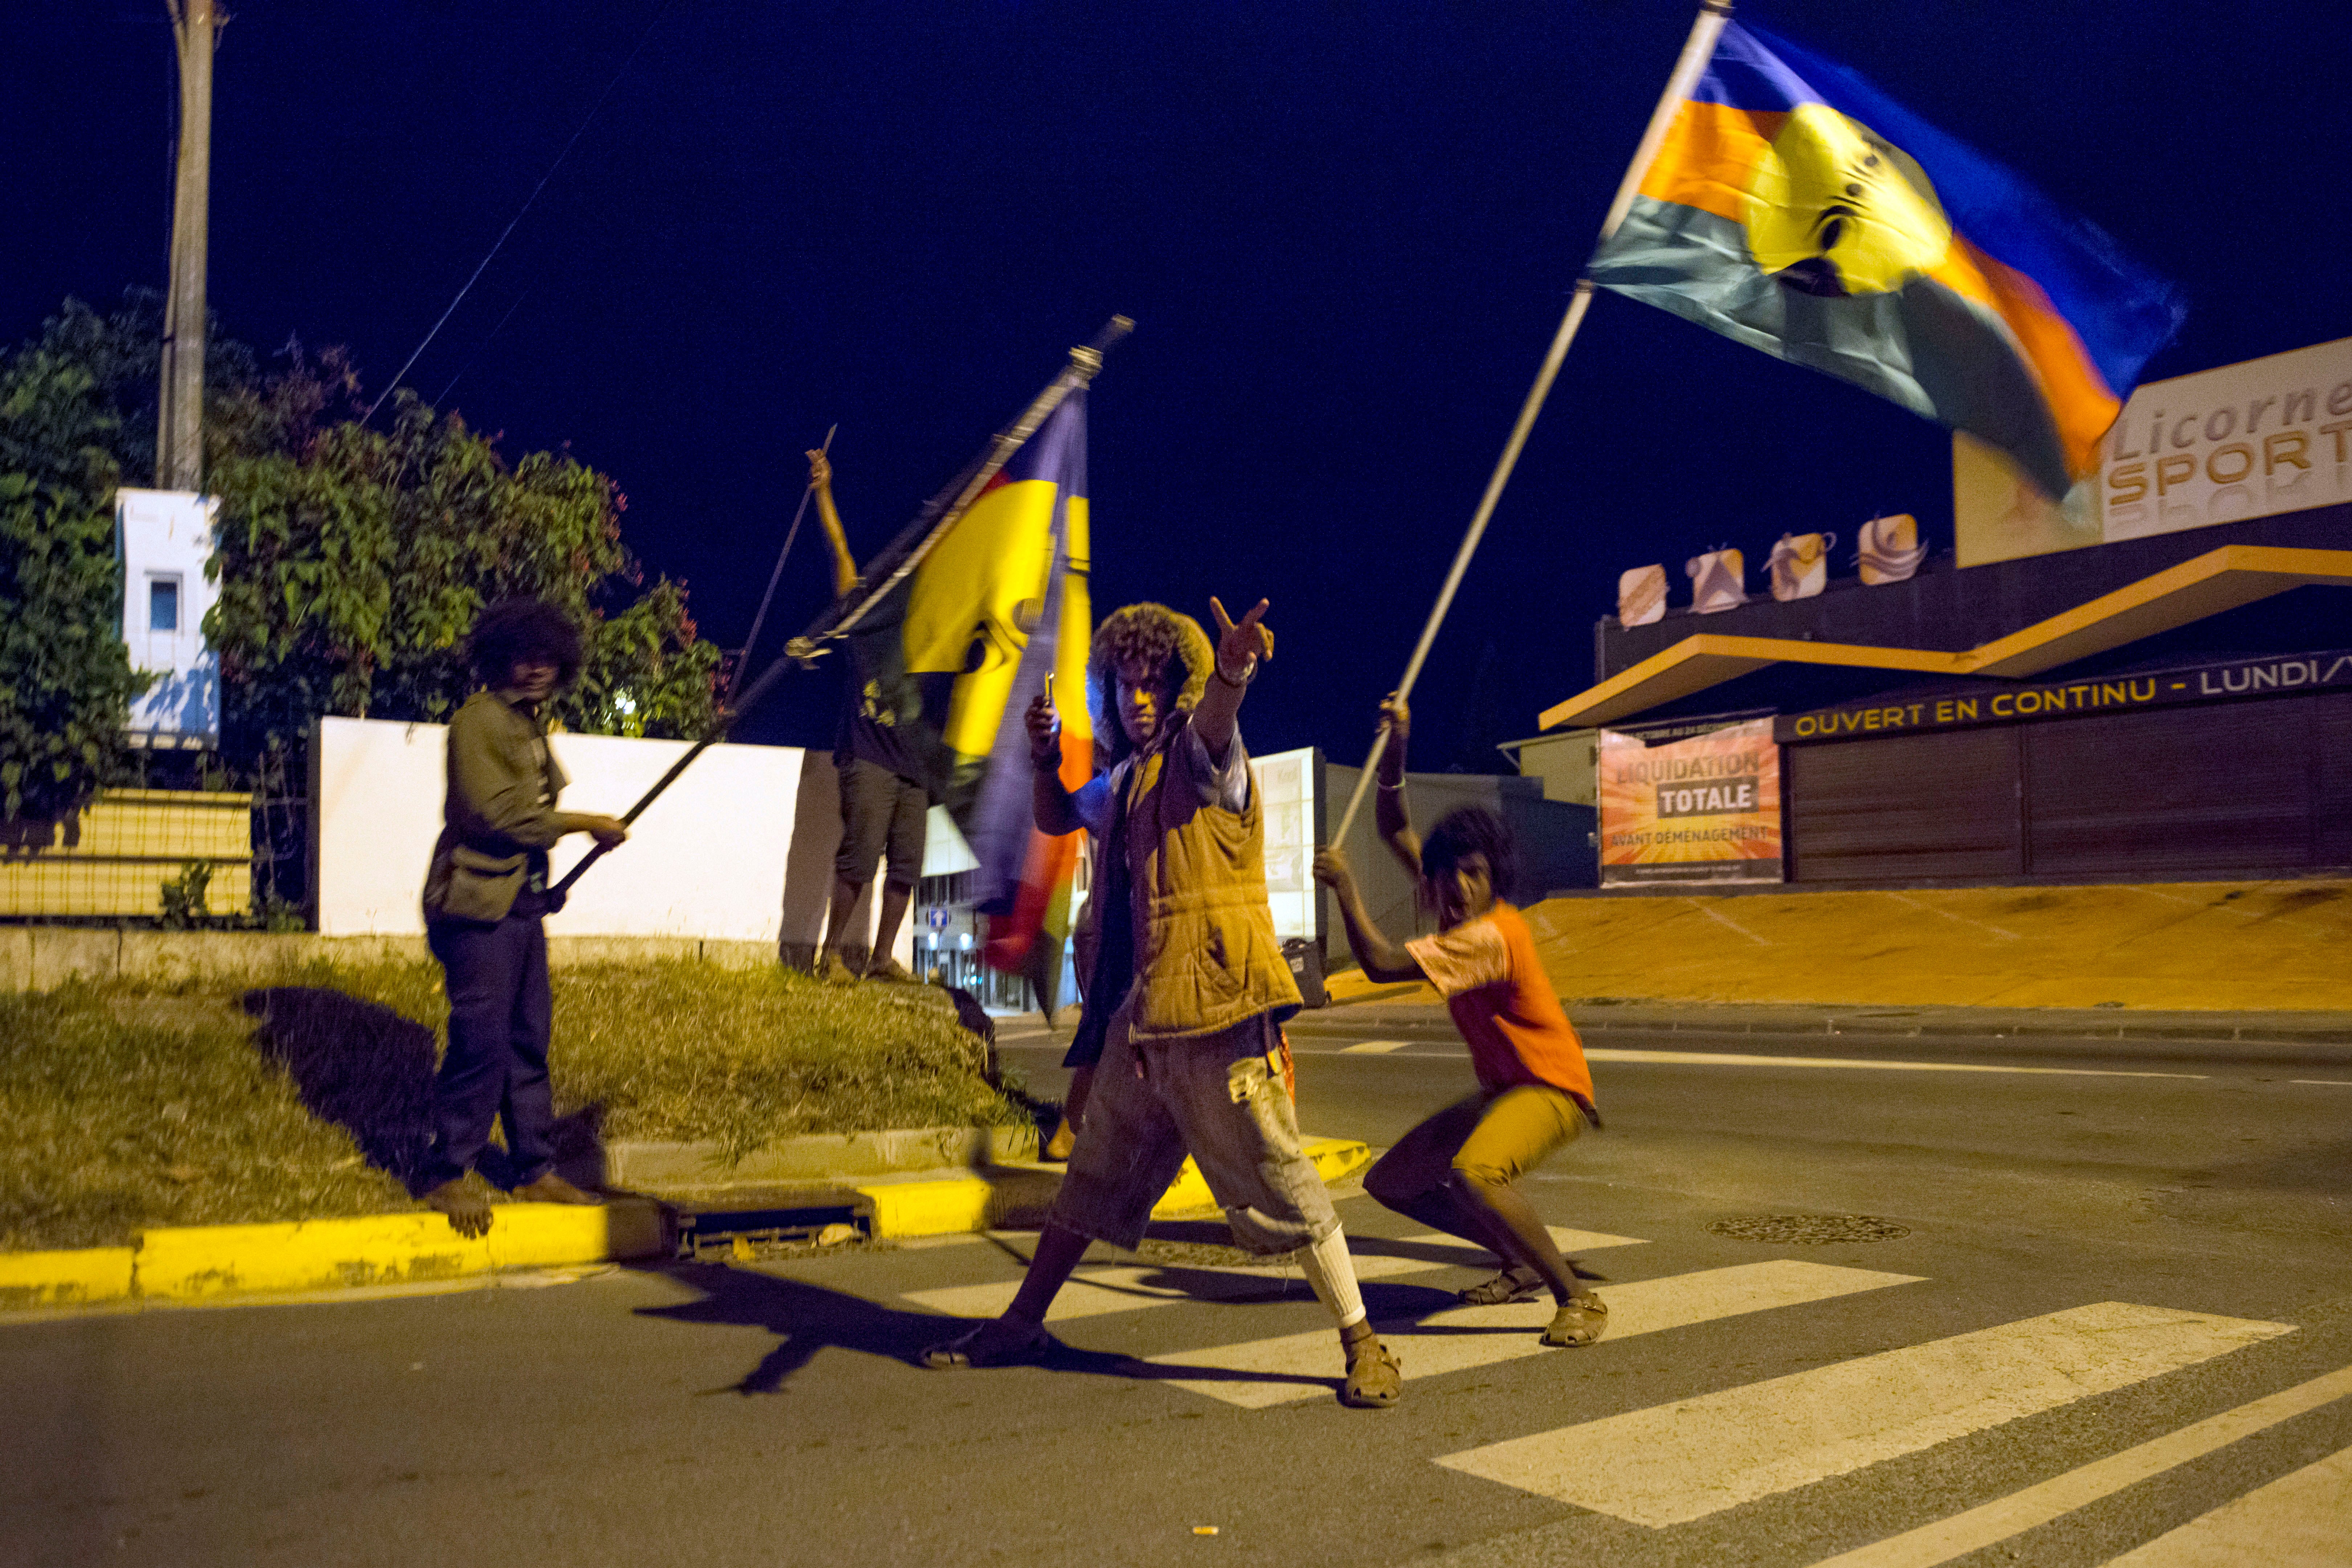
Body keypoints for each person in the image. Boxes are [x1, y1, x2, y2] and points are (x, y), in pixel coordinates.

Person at [920, 598, 1403, 1409]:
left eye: (1154, 682)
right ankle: (1021, 1321)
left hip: (1218, 1013)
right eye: (1124, 685)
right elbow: (1059, 815)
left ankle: (1363, 1340)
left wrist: (1231, 670)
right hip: (1141, 1025)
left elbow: (1217, 717)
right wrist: (1044, 759)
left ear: (1176, 685)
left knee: (1283, 1177)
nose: (1139, 698)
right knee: (1092, 1176)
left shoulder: (1200, 754)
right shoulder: (1125, 780)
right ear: (1104, 694)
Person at [1310, 694, 1609, 1348]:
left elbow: (1386, 965)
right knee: (1392, 1182)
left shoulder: (1492, 934)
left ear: (1492, 875)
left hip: (1552, 1087)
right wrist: (1399, 745)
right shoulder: (1455, 907)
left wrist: (1347, 890)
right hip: (1504, 1089)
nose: (1456, 889)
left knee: (1476, 1172)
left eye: (1473, 875)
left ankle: (1576, 1296)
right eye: (1446, 876)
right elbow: (1393, 825)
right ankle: (1517, 1259)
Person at [417, 599, 628, 1238]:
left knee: (527, 1040)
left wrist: (544, 886)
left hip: (517, 905)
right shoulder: (478, 720)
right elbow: (496, 815)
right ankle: (443, 1171)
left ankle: (534, 1167)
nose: (537, 669)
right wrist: (585, 822)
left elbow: (529, 820)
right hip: (474, 908)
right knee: (480, 1041)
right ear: (501, 657)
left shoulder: (531, 726)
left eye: (548, 659)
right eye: (525, 657)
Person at [809, 447, 925, 983]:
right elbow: (839, 550)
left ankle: (880, 958)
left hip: (913, 763)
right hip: (868, 753)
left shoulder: (926, 627)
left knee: (906, 865)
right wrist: (825, 489)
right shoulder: (861, 616)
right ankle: (830, 955)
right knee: (860, 856)